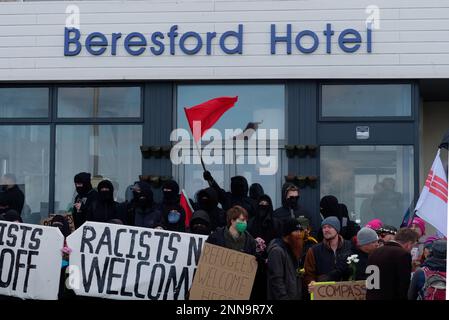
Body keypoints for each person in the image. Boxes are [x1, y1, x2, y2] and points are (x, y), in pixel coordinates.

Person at [366, 228, 419, 300]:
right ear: (409, 244)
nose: (411, 249)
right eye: (412, 246)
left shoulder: (374, 252)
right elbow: (403, 285)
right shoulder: (403, 254)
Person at [304, 216, 352, 287]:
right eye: (324, 227)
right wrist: (312, 283)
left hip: (347, 291)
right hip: (325, 293)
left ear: (337, 229)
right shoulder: (314, 250)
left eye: (329, 227)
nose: (326, 230)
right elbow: (308, 274)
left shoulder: (350, 246)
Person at [267, 218, 304, 300]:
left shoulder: (294, 248)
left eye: (300, 231)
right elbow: (277, 280)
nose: (299, 234)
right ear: (287, 234)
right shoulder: (277, 251)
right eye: (296, 231)